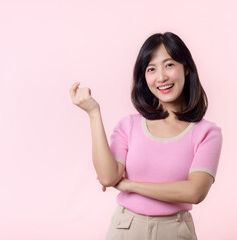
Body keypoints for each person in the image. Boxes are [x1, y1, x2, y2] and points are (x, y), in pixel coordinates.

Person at [69, 32, 223, 240]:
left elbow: (195, 192)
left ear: (186, 68)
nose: (161, 77)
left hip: (175, 231)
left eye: (169, 65)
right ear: (145, 77)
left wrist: (130, 185)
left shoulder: (207, 132)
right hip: (126, 228)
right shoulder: (129, 125)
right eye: (151, 69)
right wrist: (93, 113)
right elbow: (108, 177)